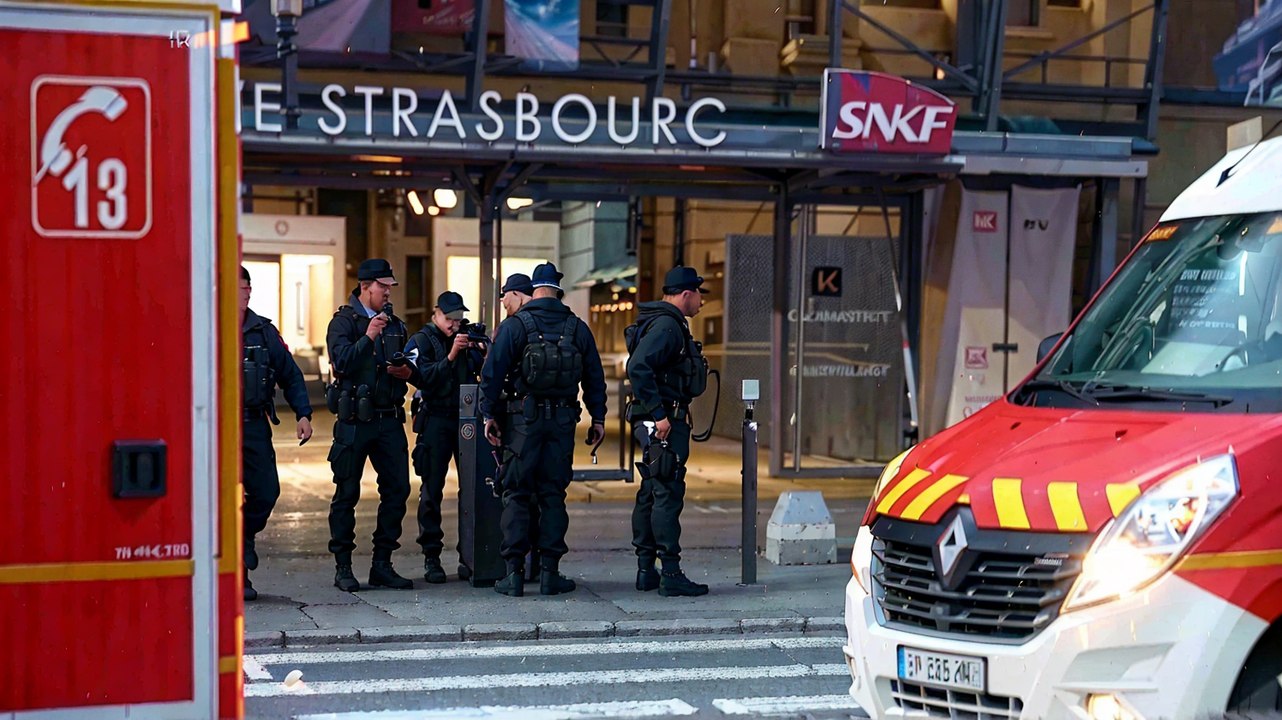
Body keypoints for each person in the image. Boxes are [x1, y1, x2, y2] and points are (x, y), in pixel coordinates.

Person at [479, 262, 607, 597]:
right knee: (553, 495)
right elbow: (594, 377)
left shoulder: (516, 326)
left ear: (534, 289)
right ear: (558, 289)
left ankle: (514, 575)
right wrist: (598, 418)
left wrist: (488, 415)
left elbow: (492, 374)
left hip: (523, 423)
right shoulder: (577, 327)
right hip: (563, 424)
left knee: (517, 493)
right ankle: (550, 574)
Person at [324, 258, 419, 592]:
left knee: (397, 490)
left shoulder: (395, 324)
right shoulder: (344, 322)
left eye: (390, 287)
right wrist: (367, 337)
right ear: (365, 287)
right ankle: (343, 567)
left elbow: (409, 363)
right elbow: (342, 362)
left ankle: (382, 564)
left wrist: (407, 373)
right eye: (383, 287)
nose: (388, 293)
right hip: (354, 420)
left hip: (389, 418)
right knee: (346, 492)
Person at [625, 266, 712, 597]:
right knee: (666, 492)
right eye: (700, 294)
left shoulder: (664, 324)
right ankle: (670, 572)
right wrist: (661, 415)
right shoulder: (667, 327)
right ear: (686, 294)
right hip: (662, 425)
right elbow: (638, 367)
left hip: (654, 421)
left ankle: (647, 570)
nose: (702, 301)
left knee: (651, 490)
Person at [239, 266, 314, 601]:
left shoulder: (263, 331)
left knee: (266, 492)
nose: (241, 294)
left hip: (253, 424)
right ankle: (238, 575)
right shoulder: (206, 325)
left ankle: (243, 537)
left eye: (244, 288)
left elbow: (291, 374)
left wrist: (304, 413)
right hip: (215, 429)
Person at [405, 291, 484, 583]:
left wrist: (479, 350)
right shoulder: (422, 341)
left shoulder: (465, 337)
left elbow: (481, 374)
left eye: (458, 320)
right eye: (449, 319)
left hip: (465, 420)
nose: (454, 325)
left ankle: (469, 555)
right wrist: (451, 355)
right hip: (436, 418)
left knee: (471, 489)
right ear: (436, 314)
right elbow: (422, 378)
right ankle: (431, 556)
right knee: (431, 489)